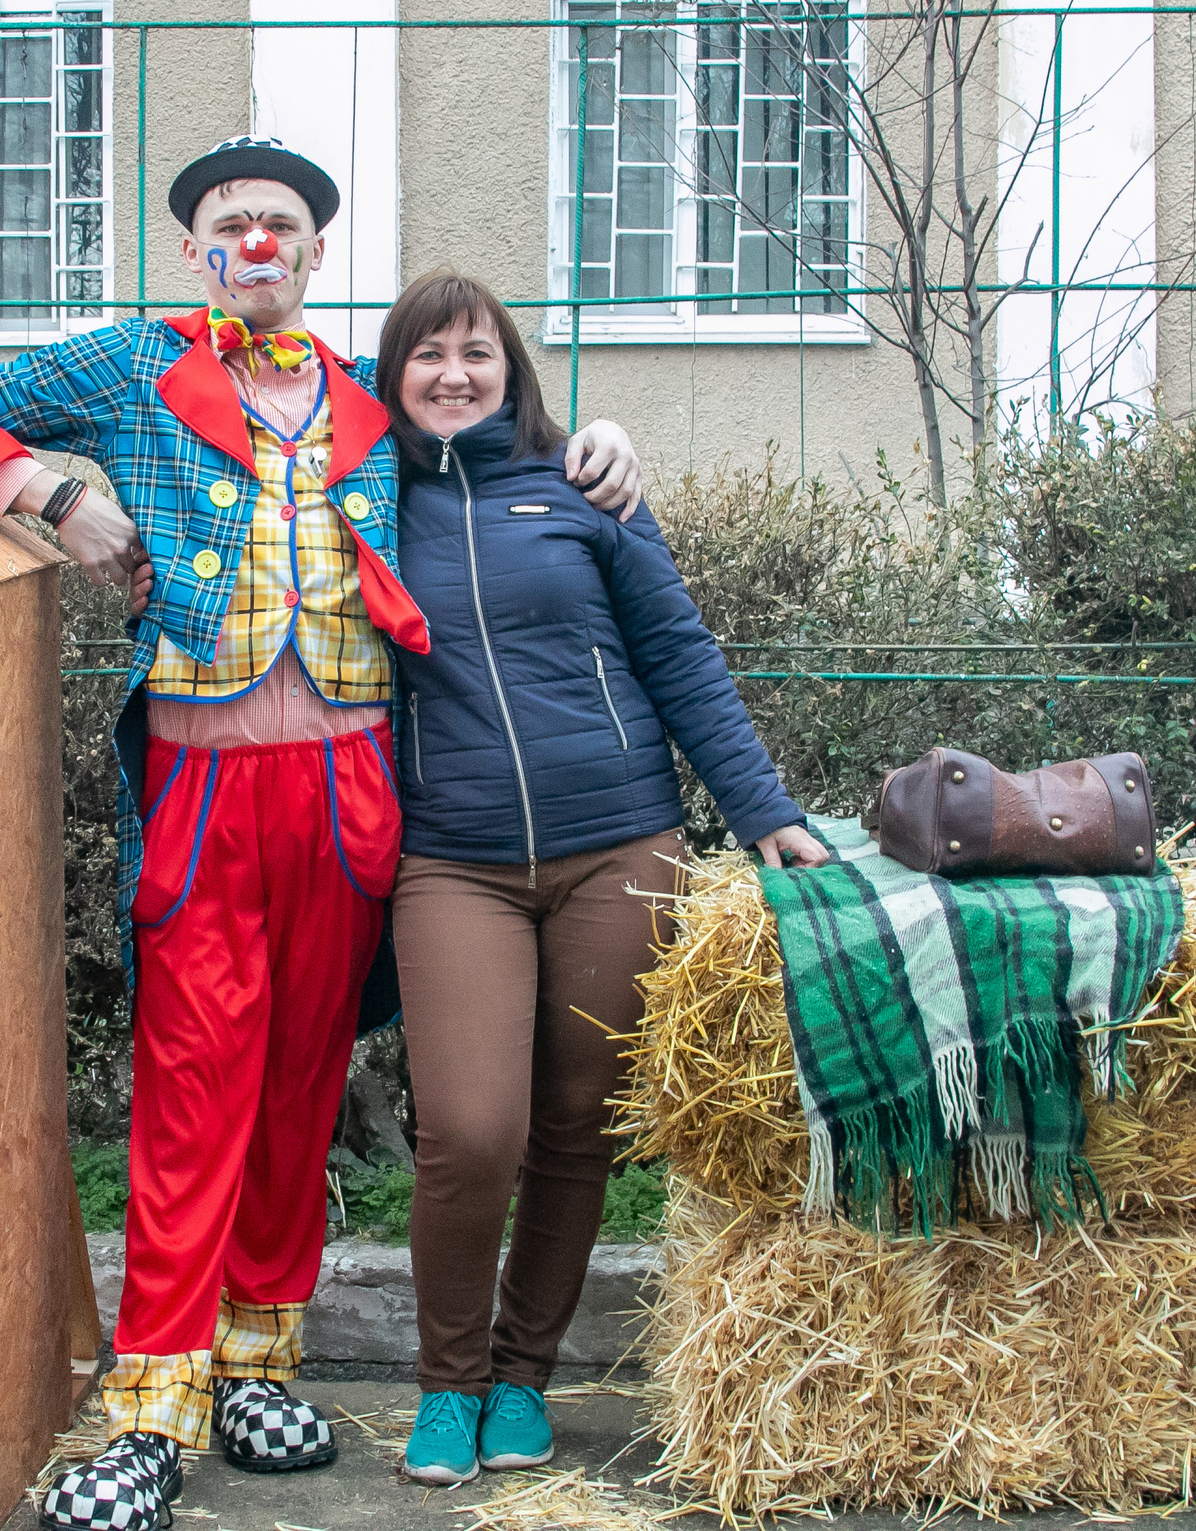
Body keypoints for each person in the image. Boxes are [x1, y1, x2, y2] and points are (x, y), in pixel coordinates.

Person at [0, 142, 645, 1531]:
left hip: (353, 791)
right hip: (203, 784)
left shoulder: (366, 397)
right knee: (195, 1089)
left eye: (279, 225)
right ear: (194, 251)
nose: (255, 242)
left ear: (311, 253)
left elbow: (495, 447)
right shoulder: (137, 364)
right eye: (229, 223)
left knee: (300, 1084)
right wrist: (46, 495)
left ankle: (256, 1361)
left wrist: (602, 444)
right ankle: (150, 1408)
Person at [378, 271, 825, 1484]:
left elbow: (677, 652)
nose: (454, 375)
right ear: (393, 375)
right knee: (471, 1132)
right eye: (428, 355)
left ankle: (522, 1377)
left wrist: (764, 812)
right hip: (452, 862)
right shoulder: (363, 499)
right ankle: (447, 1386)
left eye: (476, 352)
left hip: (622, 845)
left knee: (578, 1125)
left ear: (511, 369)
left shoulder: (583, 487)